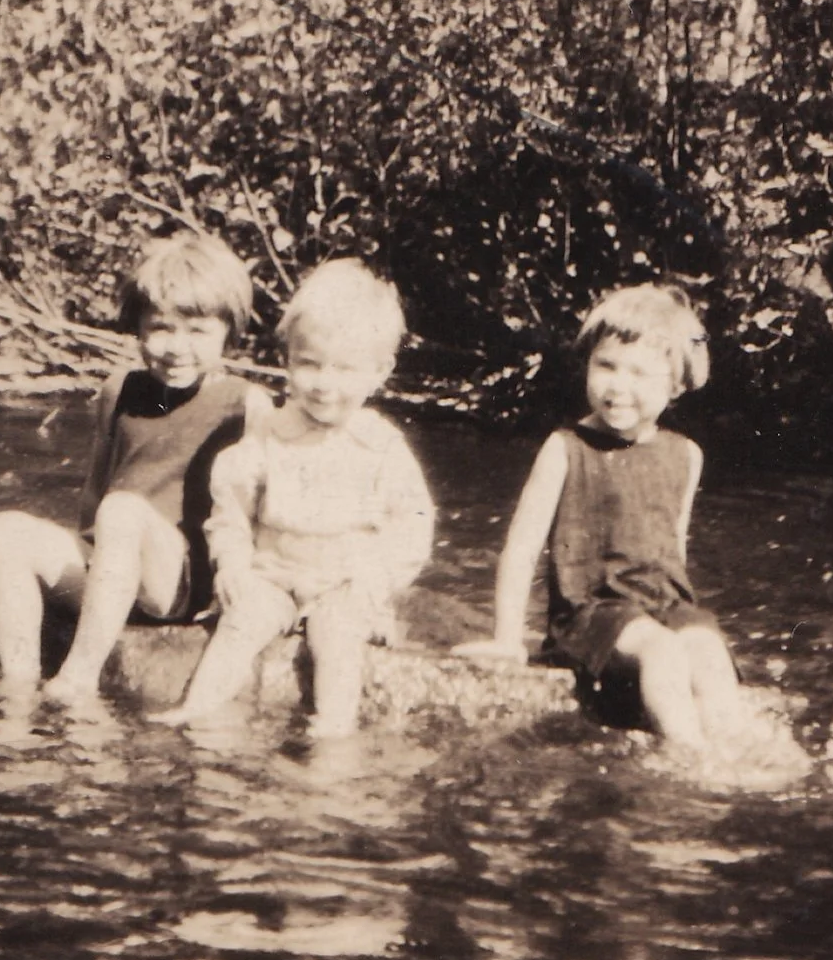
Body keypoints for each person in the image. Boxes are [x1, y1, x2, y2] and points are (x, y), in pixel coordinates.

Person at [459, 284, 754, 755]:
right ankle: (692, 757)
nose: (618, 386)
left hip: (662, 604)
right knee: (662, 651)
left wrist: (685, 622)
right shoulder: (566, 448)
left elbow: (673, 550)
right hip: (592, 612)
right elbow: (521, 549)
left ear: (675, 385)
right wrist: (508, 640)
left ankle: (737, 751)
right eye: (606, 365)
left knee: (708, 650)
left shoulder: (686, 454)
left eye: (639, 373)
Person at [0, 234, 268, 712]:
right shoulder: (119, 390)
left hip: (177, 583)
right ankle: (18, 684)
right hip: (112, 570)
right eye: (160, 328)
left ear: (229, 332)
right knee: (4, 530)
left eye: (197, 332)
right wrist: (89, 567)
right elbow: (96, 490)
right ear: (137, 327)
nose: (177, 348)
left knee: (123, 511)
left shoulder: (244, 403)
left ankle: (79, 677)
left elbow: (259, 506)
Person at [148, 260, 434, 739]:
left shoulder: (380, 445)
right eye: (309, 363)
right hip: (275, 574)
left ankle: (333, 722)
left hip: (346, 582)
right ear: (287, 360)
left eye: (344, 369)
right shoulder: (269, 434)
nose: (324, 383)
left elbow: (413, 525)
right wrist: (233, 566)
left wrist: (376, 579)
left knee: (336, 629)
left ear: (379, 371)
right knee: (242, 619)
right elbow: (231, 510)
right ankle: (198, 705)